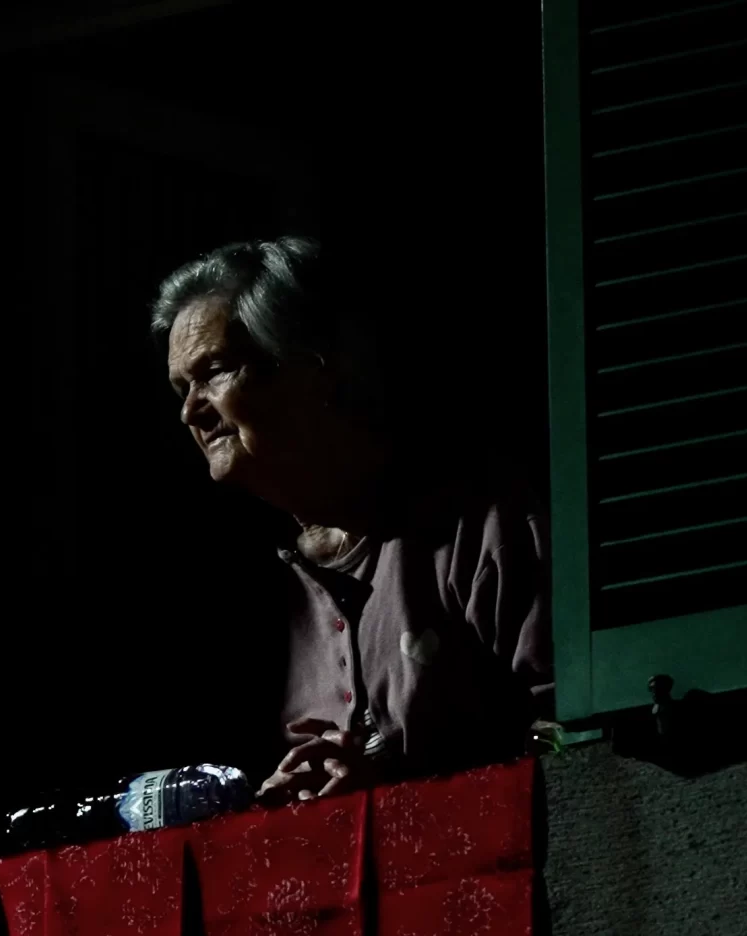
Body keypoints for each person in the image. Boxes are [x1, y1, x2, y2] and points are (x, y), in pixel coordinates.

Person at [153, 236, 551, 800]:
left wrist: (405, 794)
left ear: (311, 368)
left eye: (214, 371)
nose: (191, 410)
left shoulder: (482, 528)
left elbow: (576, 739)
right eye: (180, 387)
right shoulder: (236, 593)